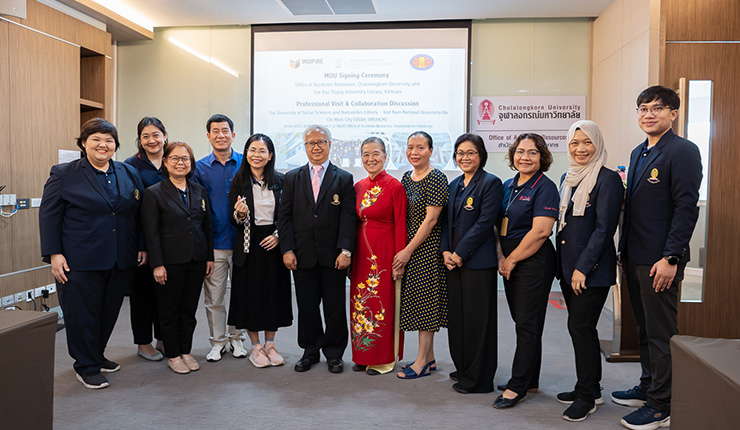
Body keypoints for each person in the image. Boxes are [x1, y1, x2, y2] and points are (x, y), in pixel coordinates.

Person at [612, 86, 702, 430]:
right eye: (643, 109)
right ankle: (649, 386)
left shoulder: (682, 151)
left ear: (673, 114)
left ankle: (662, 404)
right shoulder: (639, 152)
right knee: (645, 329)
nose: (648, 114)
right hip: (634, 256)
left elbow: (685, 209)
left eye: (657, 109)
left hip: (660, 260)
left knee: (662, 331)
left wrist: (671, 257)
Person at [39, 118, 146, 389]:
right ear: (84, 143)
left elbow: (137, 214)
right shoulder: (64, 173)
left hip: (120, 256)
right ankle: (85, 365)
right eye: (96, 139)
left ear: (116, 146)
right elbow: (49, 216)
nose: (103, 144)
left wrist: (141, 245)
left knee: (108, 312)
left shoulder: (127, 172)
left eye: (109, 140)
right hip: (79, 259)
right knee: (81, 314)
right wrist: (54, 254)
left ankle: (96, 355)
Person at [555, 120, 624, 421]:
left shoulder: (608, 179)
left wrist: (583, 268)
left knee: (579, 328)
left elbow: (603, 229)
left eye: (587, 142)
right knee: (583, 330)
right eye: (574, 143)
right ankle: (591, 388)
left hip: (590, 270)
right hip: (569, 268)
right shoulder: (567, 177)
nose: (581, 149)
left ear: (597, 144)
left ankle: (586, 397)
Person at [278, 124, 356, 373]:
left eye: (321, 142)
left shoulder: (343, 178)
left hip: (333, 256)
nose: (316, 147)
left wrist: (346, 251)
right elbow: (285, 217)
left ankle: (334, 353)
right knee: (307, 307)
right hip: (302, 255)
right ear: (304, 147)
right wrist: (287, 249)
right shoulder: (292, 177)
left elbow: (348, 218)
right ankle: (310, 351)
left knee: (334, 307)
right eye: (311, 143)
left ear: (330, 145)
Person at [493, 133, 559, 409]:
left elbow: (542, 231)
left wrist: (511, 260)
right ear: (512, 155)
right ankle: (530, 379)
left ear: (542, 157)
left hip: (533, 262)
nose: (525, 157)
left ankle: (517, 386)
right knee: (523, 322)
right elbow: (498, 226)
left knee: (528, 325)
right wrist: (501, 255)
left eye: (532, 152)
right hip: (510, 260)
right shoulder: (509, 185)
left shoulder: (545, 187)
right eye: (520, 151)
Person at [141, 142, 215, 374]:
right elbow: (150, 233)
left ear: (191, 163)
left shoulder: (199, 191)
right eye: (175, 158)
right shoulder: (153, 193)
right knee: (169, 310)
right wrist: (158, 264)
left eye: (185, 159)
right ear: (165, 162)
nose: (180, 162)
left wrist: (209, 257)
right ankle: (172, 354)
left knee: (188, 310)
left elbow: (207, 227)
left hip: (196, 259)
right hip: (169, 263)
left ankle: (185, 351)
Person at [441, 133, 503, 393]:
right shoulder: (455, 184)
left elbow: (484, 223)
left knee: (478, 322)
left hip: (477, 263)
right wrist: (446, 251)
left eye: (471, 153)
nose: (464, 158)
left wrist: (460, 252)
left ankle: (478, 379)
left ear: (481, 156)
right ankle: (464, 367)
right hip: (453, 263)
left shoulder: (491, 183)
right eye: (460, 153)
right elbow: (446, 223)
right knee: (458, 320)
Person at [228, 134, 292, 368]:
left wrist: (278, 237)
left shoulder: (282, 181)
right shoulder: (239, 181)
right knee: (250, 296)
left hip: (274, 243)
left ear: (271, 155)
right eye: (252, 150)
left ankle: (271, 344)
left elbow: (287, 216)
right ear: (246, 154)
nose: (257, 154)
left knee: (273, 295)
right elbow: (234, 220)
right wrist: (241, 214)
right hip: (248, 243)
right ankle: (255, 346)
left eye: (262, 150)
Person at [350, 137, 407, 376]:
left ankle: (383, 359)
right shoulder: (359, 186)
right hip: (361, 254)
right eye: (365, 154)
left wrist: (399, 260)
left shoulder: (395, 186)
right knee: (360, 303)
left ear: (386, 156)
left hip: (384, 254)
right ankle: (363, 355)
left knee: (382, 303)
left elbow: (401, 224)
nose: (370, 159)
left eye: (375, 154)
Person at [192, 114, 247, 362]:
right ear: (208, 136)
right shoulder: (200, 168)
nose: (220, 135)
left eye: (225, 131)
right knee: (214, 297)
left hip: (242, 242)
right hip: (214, 243)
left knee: (241, 294)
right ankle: (218, 342)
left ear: (233, 135)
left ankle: (238, 339)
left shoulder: (247, 163)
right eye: (215, 131)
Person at [394, 131, 449, 380]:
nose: (414, 152)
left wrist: (407, 250)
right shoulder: (407, 177)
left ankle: (421, 362)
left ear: (430, 151)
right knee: (417, 301)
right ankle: (429, 356)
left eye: (420, 148)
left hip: (426, 250)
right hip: (411, 249)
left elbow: (431, 220)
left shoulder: (436, 177)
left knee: (426, 304)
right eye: (410, 147)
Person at [124, 116, 168, 361]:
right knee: (142, 294)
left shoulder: (173, 159)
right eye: (146, 136)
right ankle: (143, 342)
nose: (152, 140)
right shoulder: (130, 166)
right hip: (142, 239)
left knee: (165, 292)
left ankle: (162, 337)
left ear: (164, 135)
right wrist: (142, 245)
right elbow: (132, 209)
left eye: (156, 134)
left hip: (170, 239)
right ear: (139, 140)